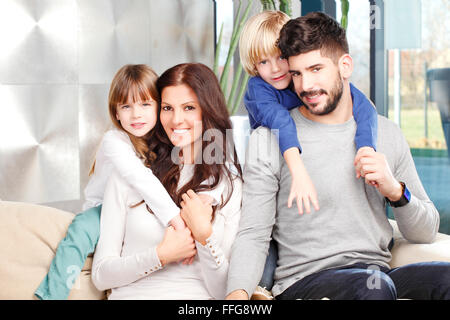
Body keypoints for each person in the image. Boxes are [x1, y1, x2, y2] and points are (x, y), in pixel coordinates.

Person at [226, 12, 450, 300]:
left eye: (316, 69)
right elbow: (254, 235)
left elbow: (426, 231)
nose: (305, 85)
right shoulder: (268, 140)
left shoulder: (386, 133)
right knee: (376, 287)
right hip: (304, 283)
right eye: (297, 73)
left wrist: (395, 191)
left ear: (345, 66)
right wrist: (237, 297)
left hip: (377, 276)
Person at [238, 10, 378, 297]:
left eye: (281, 58)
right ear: (253, 65)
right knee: (268, 248)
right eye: (263, 62)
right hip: (271, 176)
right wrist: (298, 169)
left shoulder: (300, 82)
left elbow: (363, 105)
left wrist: (365, 146)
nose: (275, 69)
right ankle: (261, 289)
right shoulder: (259, 90)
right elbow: (280, 121)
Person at [91, 63, 243, 299]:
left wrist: (204, 236)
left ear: (208, 110)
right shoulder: (130, 173)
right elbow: (101, 275)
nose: (176, 119)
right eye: (168, 108)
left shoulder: (228, 184)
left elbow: (226, 291)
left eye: (189, 107)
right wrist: (161, 255)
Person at [35, 64, 186, 300]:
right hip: (103, 209)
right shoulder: (114, 140)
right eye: (126, 106)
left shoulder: (164, 141)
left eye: (145, 104)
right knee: (80, 231)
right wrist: (174, 217)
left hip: (137, 210)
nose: (136, 114)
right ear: (116, 113)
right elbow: (139, 178)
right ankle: (50, 295)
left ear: (159, 107)